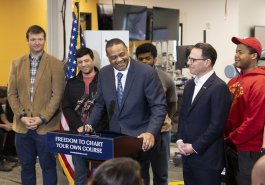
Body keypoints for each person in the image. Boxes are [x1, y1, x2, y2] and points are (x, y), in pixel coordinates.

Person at [88, 38, 167, 184]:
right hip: (116, 141)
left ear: (128, 51)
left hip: (140, 139)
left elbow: (159, 106)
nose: (119, 59)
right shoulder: (104, 73)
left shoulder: (146, 73)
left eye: (122, 54)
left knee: (137, 178)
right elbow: (100, 104)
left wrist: (150, 132)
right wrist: (89, 125)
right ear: (108, 58)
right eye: (113, 57)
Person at [7, 25, 65, 185]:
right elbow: (11, 93)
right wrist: (22, 116)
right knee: (26, 167)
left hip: (46, 128)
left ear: (44, 40)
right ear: (27, 41)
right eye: (33, 39)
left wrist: (41, 118)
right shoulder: (16, 63)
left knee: (48, 167)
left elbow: (57, 95)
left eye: (40, 39)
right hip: (22, 127)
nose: (37, 42)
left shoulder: (56, 64)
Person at [176, 42, 231, 185]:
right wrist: (180, 140)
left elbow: (217, 126)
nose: (188, 63)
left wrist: (194, 147)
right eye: (189, 59)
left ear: (207, 62)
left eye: (193, 60)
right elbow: (183, 116)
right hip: (187, 156)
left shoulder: (219, 87)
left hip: (207, 158)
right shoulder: (190, 85)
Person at [62, 47, 108, 185]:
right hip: (79, 136)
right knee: (80, 175)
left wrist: (92, 126)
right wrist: (79, 127)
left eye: (86, 60)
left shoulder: (105, 80)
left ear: (93, 60)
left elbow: (108, 107)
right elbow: (67, 107)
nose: (83, 64)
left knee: (102, 175)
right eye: (80, 62)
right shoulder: (71, 83)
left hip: (101, 134)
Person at [224, 37, 265, 185]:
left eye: (241, 52)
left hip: (248, 149)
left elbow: (255, 121)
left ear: (253, 56)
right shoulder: (233, 81)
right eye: (236, 51)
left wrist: (231, 138)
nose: (236, 55)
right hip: (230, 146)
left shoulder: (260, 82)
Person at [135, 43, 177, 185]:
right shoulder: (132, 79)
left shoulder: (165, 78)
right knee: (140, 173)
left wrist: (164, 121)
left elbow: (172, 104)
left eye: (148, 58)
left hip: (161, 133)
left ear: (155, 59)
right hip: (139, 133)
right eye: (141, 59)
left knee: (161, 174)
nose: (145, 61)